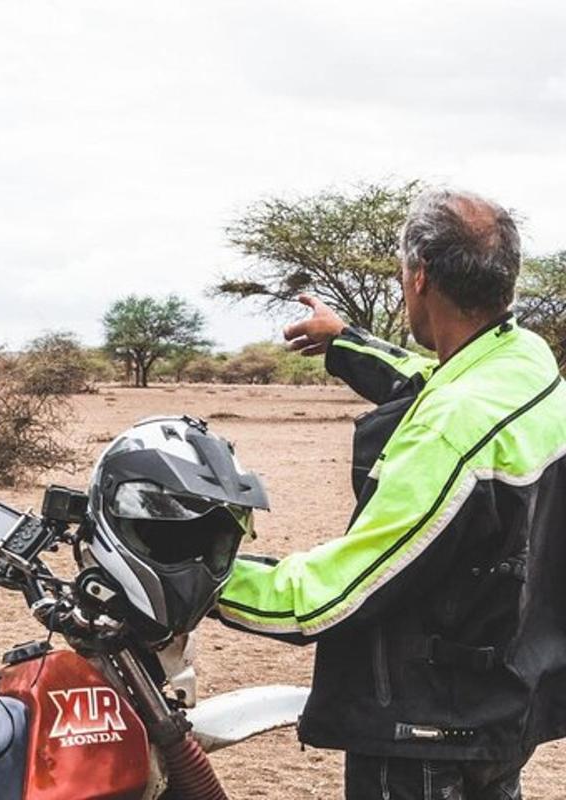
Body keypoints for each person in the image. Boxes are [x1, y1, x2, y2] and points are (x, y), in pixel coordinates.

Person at [215, 188, 566, 800]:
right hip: (501, 703)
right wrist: (346, 341)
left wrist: (199, 581)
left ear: (421, 275)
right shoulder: (526, 363)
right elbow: (431, 381)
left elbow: (336, 594)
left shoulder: (449, 432)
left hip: (426, 730)